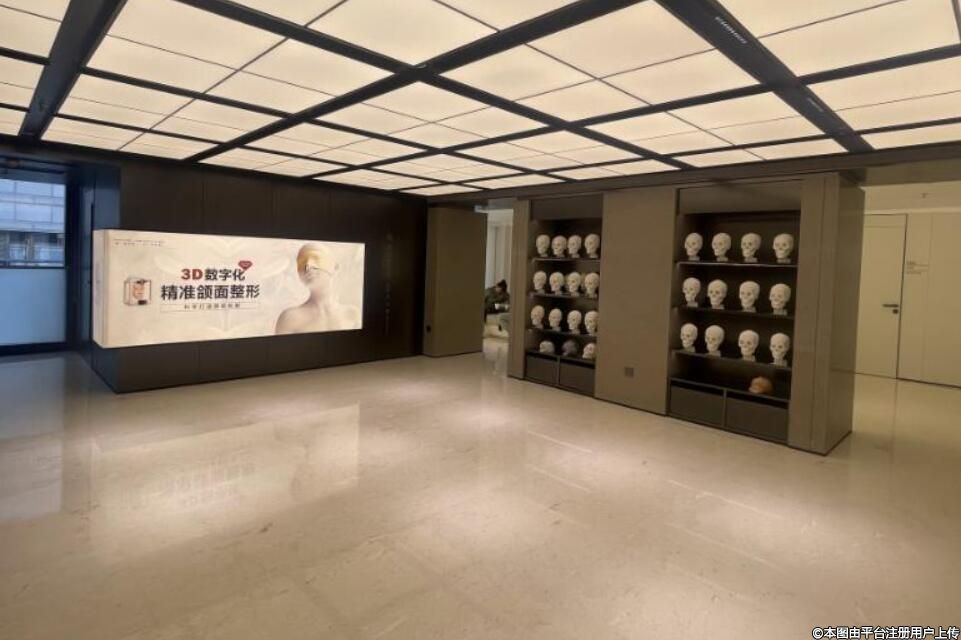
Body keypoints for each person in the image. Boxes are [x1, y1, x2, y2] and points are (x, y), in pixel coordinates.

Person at [275, 243, 360, 334]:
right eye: (301, 262)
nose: (308, 266)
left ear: (335, 268)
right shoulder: (290, 319)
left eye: (316, 258)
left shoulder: (352, 314)